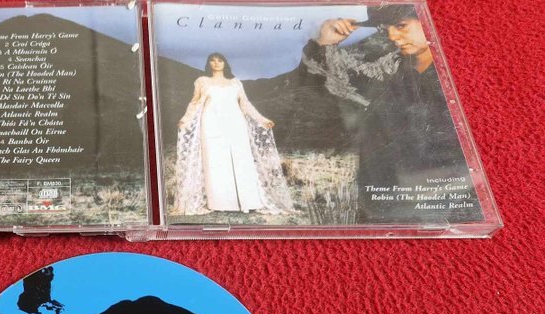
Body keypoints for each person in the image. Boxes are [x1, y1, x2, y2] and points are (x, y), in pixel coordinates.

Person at [302, 6, 479, 223]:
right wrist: (323, 43)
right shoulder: (386, 70)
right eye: (386, 30)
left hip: (446, 198)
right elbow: (323, 84)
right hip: (383, 200)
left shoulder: (460, 73)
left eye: (401, 26)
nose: (393, 36)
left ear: (428, 22)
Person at [174, 53, 294, 216]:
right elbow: (194, 102)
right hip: (211, 124)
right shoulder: (202, 81)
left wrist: (262, 119)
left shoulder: (235, 83)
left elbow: (245, 104)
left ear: (225, 63)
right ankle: (220, 203)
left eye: (220, 60)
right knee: (216, 162)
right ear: (209, 63)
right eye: (213, 60)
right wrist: (185, 119)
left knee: (241, 160)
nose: (216, 63)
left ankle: (248, 201)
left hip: (236, 124)